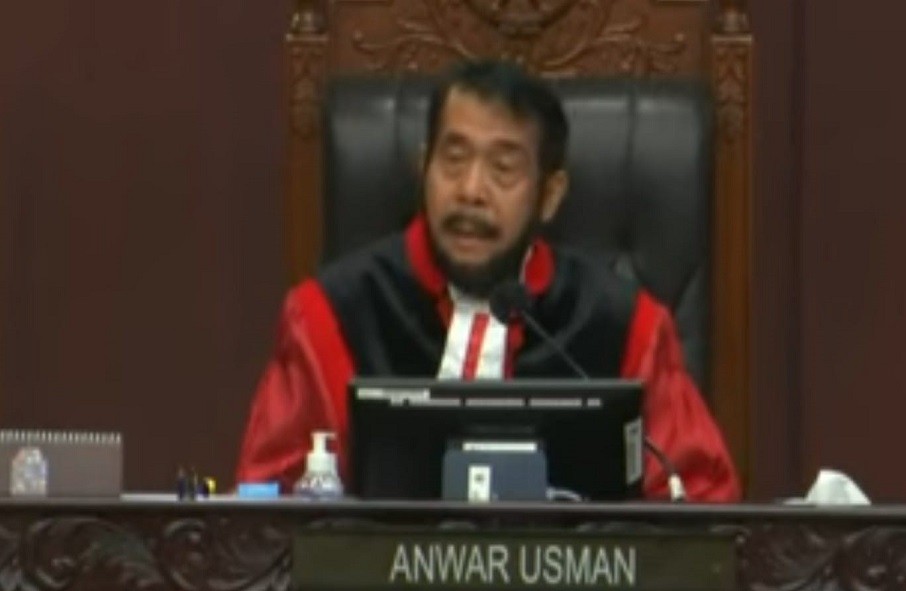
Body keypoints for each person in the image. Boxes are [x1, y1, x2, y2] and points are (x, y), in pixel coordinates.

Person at [236, 59, 740, 502]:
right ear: (423, 168)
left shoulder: (627, 329)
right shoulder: (330, 317)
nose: (471, 191)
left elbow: (700, 507)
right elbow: (266, 519)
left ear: (549, 195)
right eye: (453, 160)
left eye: (503, 169)